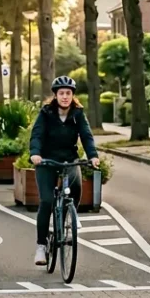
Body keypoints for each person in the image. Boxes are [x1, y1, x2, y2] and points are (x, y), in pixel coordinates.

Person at [28, 75, 99, 266]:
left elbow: (86, 136)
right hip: (46, 161)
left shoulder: (78, 114)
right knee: (46, 201)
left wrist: (92, 156)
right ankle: (41, 246)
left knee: (76, 186)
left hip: (69, 159)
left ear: (72, 95)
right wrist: (35, 154)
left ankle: (70, 216)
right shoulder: (46, 113)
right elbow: (36, 135)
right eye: (61, 93)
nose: (65, 96)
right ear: (56, 95)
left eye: (68, 93)